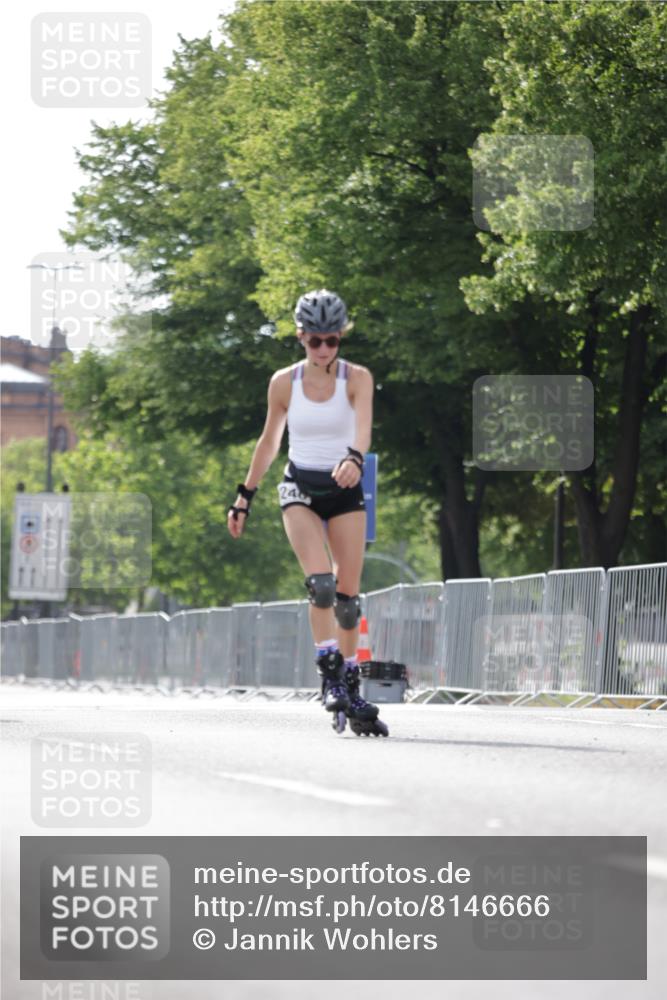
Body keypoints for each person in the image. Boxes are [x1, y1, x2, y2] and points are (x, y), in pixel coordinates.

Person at [227, 289, 388, 737]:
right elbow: (269, 441)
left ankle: (351, 684)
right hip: (299, 486)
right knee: (321, 585)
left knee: (348, 600)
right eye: (314, 340)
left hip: (343, 488)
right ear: (300, 337)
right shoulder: (284, 383)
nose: (323, 349)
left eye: (331, 340)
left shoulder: (358, 379)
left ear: (341, 337)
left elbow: (363, 429)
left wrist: (354, 459)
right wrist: (244, 497)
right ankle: (327, 669)